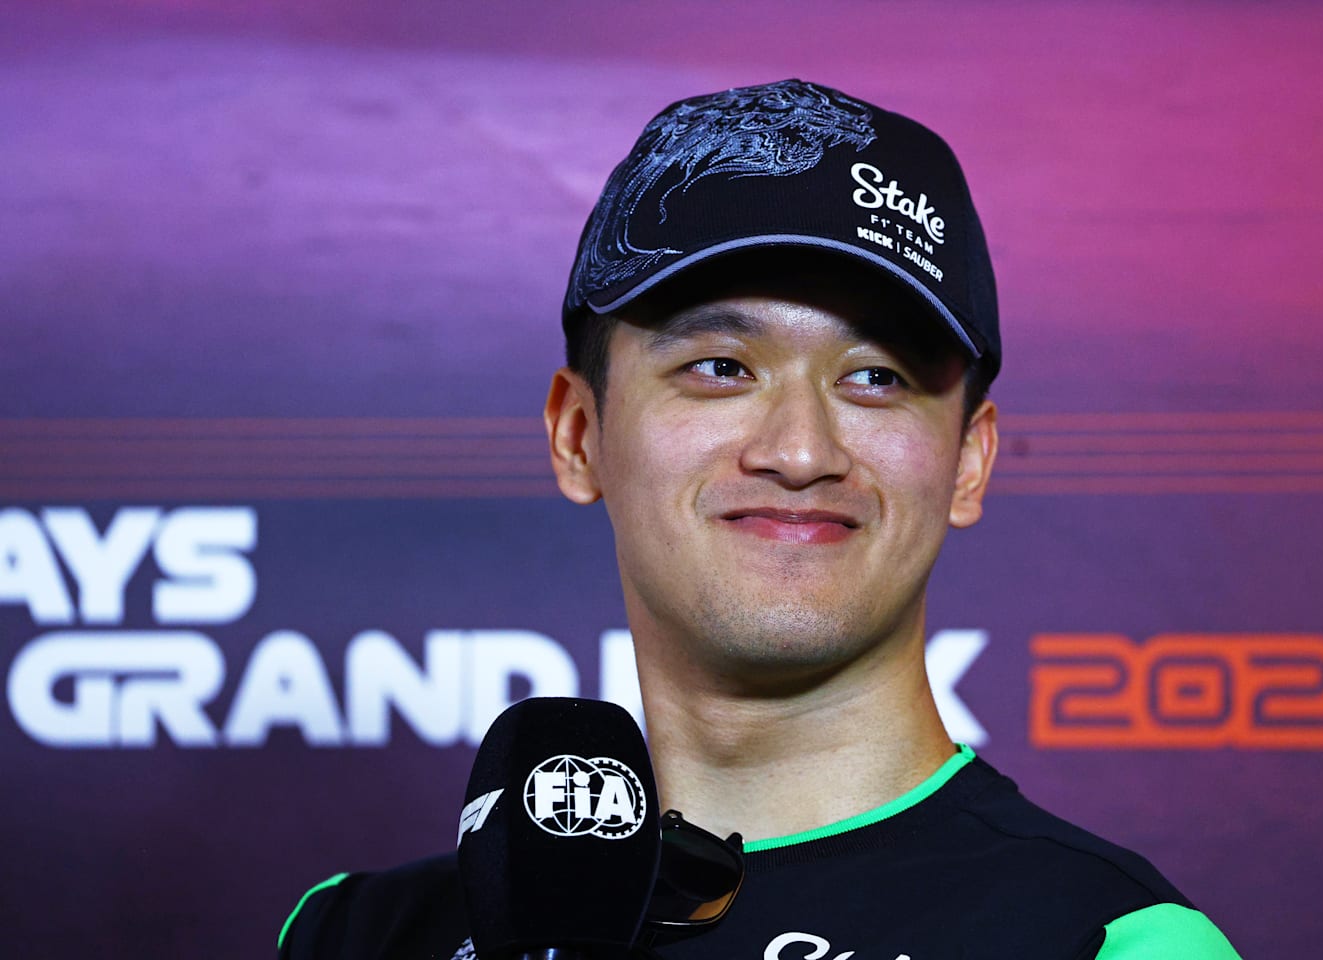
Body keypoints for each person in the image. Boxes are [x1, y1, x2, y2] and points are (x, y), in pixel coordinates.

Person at [279, 78, 1242, 960]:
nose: (799, 450)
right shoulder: (355, 936)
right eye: (720, 367)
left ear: (969, 460)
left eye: (876, 377)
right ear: (580, 434)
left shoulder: (1107, 941)